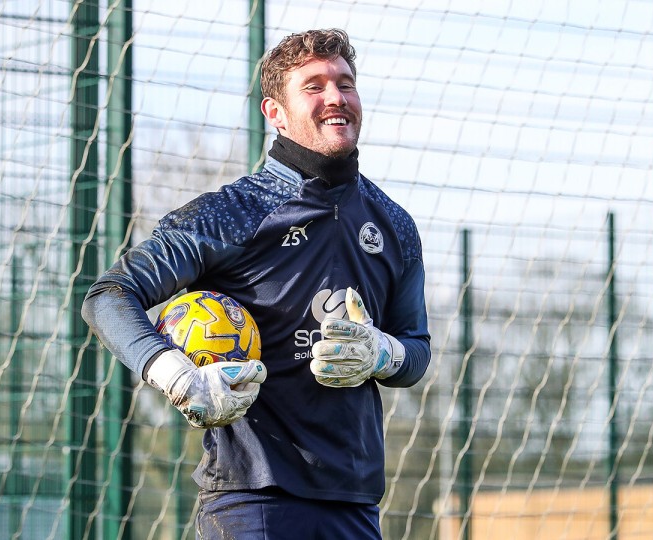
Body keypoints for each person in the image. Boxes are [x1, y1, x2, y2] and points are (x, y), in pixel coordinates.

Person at [82, 28, 430, 539]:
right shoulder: (232, 213)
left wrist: (382, 354)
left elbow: (417, 351)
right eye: (314, 86)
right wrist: (177, 376)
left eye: (345, 83)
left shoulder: (395, 225)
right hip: (251, 498)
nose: (336, 97)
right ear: (275, 112)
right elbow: (109, 297)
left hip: (354, 500)